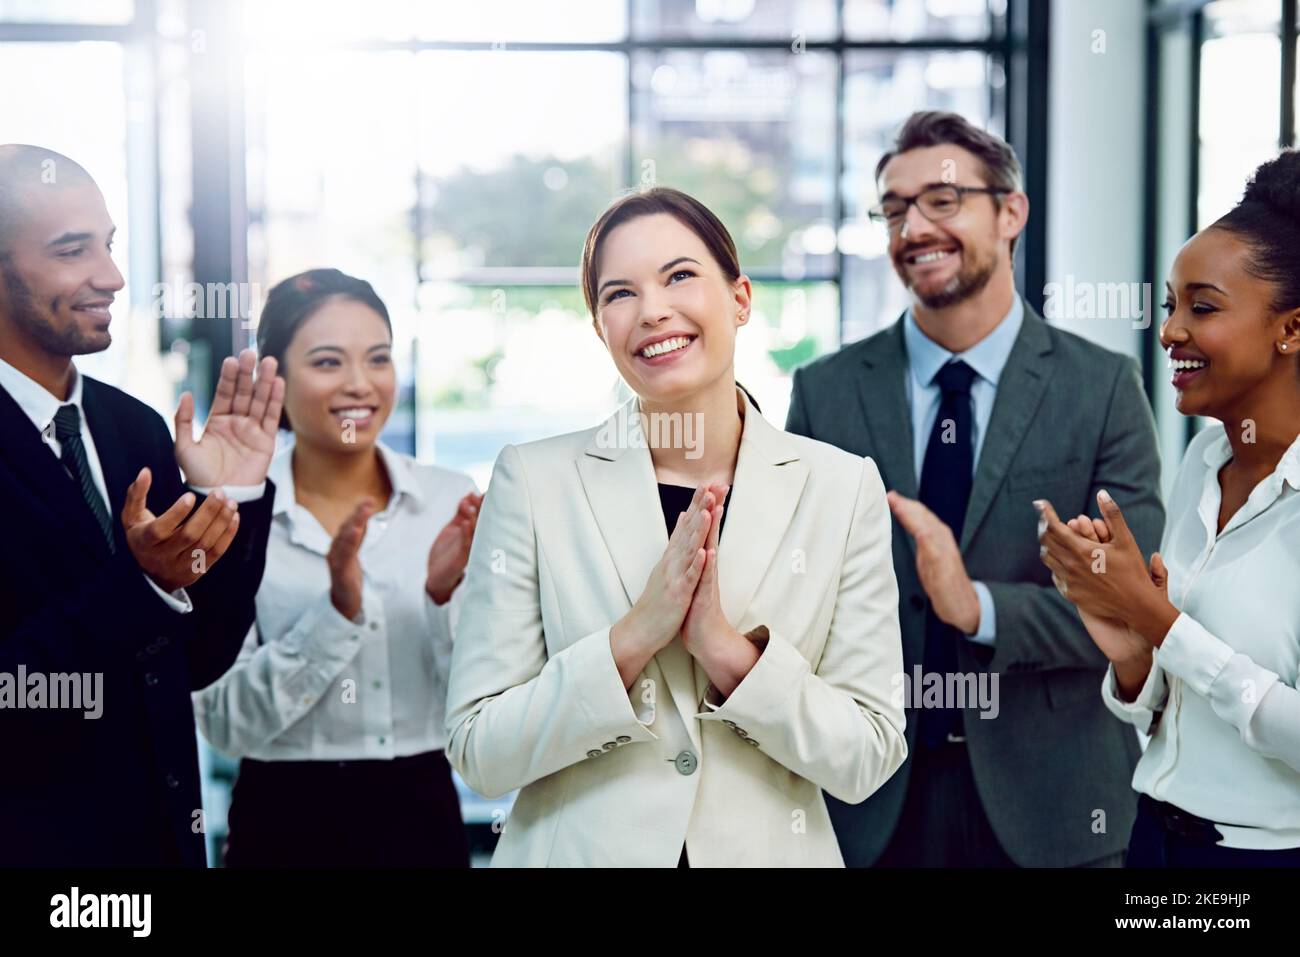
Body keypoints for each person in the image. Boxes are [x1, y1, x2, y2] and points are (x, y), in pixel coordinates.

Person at [444, 187, 907, 867]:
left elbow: (867, 752)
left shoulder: (841, 486)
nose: (652, 309)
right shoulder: (533, 481)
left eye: (681, 275)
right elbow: (480, 748)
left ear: (741, 298)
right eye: (618, 293)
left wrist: (726, 653)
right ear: (601, 326)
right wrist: (632, 639)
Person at [785, 111, 1165, 867]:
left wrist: (977, 607)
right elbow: (793, 589)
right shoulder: (825, 392)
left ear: (1011, 211)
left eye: (942, 200)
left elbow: (1137, 608)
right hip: (869, 805)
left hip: (1055, 808)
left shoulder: (1102, 388)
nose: (913, 227)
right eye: (894, 209)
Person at [0, 144, 281, 867]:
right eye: (73, 251)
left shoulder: (134, 427)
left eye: (110, 245)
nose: (113, 277)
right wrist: (141, 583)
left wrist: (236, 496)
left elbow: (194, 660)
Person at [1040, 150, 1300, 867]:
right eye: (1170, 305)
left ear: (1292, 328)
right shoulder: (1200, 463)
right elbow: (1171, 711)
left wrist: (1164, 623)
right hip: (1157, 838)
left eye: (1203, 307)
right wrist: (1136, 655)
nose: (1168, 332)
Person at [193, 269, 481, 867]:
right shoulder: (231, 512)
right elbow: (223, 725)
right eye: (327, 362)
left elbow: (487, 702)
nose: (360, 385)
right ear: (273, 376)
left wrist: (441, 596)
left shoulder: (451, 502)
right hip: (281, 822)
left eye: (378, 359)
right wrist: (335, 616)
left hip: (423, 817)